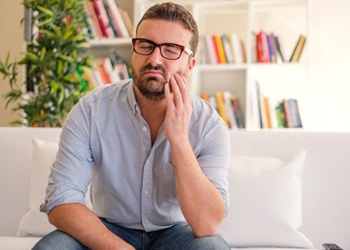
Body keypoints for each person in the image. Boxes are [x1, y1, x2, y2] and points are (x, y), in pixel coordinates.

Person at [33, 2, 230, 250]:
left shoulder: (209, 125)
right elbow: (61, 201)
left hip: (175, 233)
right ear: (134, 51)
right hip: (107, 228)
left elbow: (207, 225)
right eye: (146, 45)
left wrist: (179, 138)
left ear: (190, 65)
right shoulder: (91, 110)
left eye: (171, 49)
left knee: (212, 247)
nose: (154, 58)